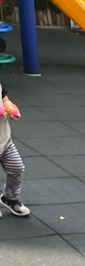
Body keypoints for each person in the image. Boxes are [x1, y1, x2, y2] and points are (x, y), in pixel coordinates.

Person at [0, 82, 30, 218]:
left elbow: (5, 99)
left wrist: (10, 107)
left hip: (4, 141)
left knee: (17, 168)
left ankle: (9, 198)